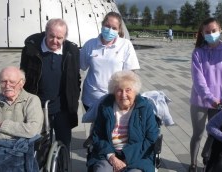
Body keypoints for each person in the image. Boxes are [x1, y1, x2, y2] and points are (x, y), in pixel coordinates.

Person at [80, 11, 140, 146]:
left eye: (114, 28)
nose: (110, 30)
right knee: (98, 121)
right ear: (102, 26)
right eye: (107, 26)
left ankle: (103, 149)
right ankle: (96, 144)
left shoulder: (125, 45)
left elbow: (131, 73)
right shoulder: (90, 44)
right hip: (91, 96)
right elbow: (81, 66)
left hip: (115, 96)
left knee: (111, 126)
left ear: (119, 30)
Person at [20, 18, 81, 150]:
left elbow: (76, 79)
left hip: (62, 108)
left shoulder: (72, 51)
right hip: (37, 107)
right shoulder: (31, 50)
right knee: (37, 146)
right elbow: (23, 77)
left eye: (59, 38)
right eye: (51, 36)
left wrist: (73, 98)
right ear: (46, 33)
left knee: (64, 144)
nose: (55, 41)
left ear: (65, 37)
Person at [87, 70, 159, 172]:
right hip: (108, 153)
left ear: (135, 91)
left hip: (137, 156)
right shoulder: (105, 107)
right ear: (114, 92)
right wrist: (111, 157)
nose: (123, 94)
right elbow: (98, 135)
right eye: (119, 90)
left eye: (128, 90)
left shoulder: (145, 108)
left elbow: (151, 138)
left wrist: (127, 158)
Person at [189, 17, 222, 172]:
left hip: (220, 103)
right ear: (202, 33)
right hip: (200, 101)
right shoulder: (198, 52)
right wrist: (209, 98)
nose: (211, 34)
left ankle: (207, 160)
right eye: (207, 32)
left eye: (214, 31)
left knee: (214, 134)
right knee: (198, 134)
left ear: (220, 30)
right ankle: (193, 164)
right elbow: (198, 79)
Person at [0, 66, 44, 142]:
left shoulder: (32, 100)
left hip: (23, 150)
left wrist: (2, 125)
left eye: (12, 82)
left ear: (22, 83)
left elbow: (33, 131)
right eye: (3, 81)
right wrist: (20, 134)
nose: (7, 86)